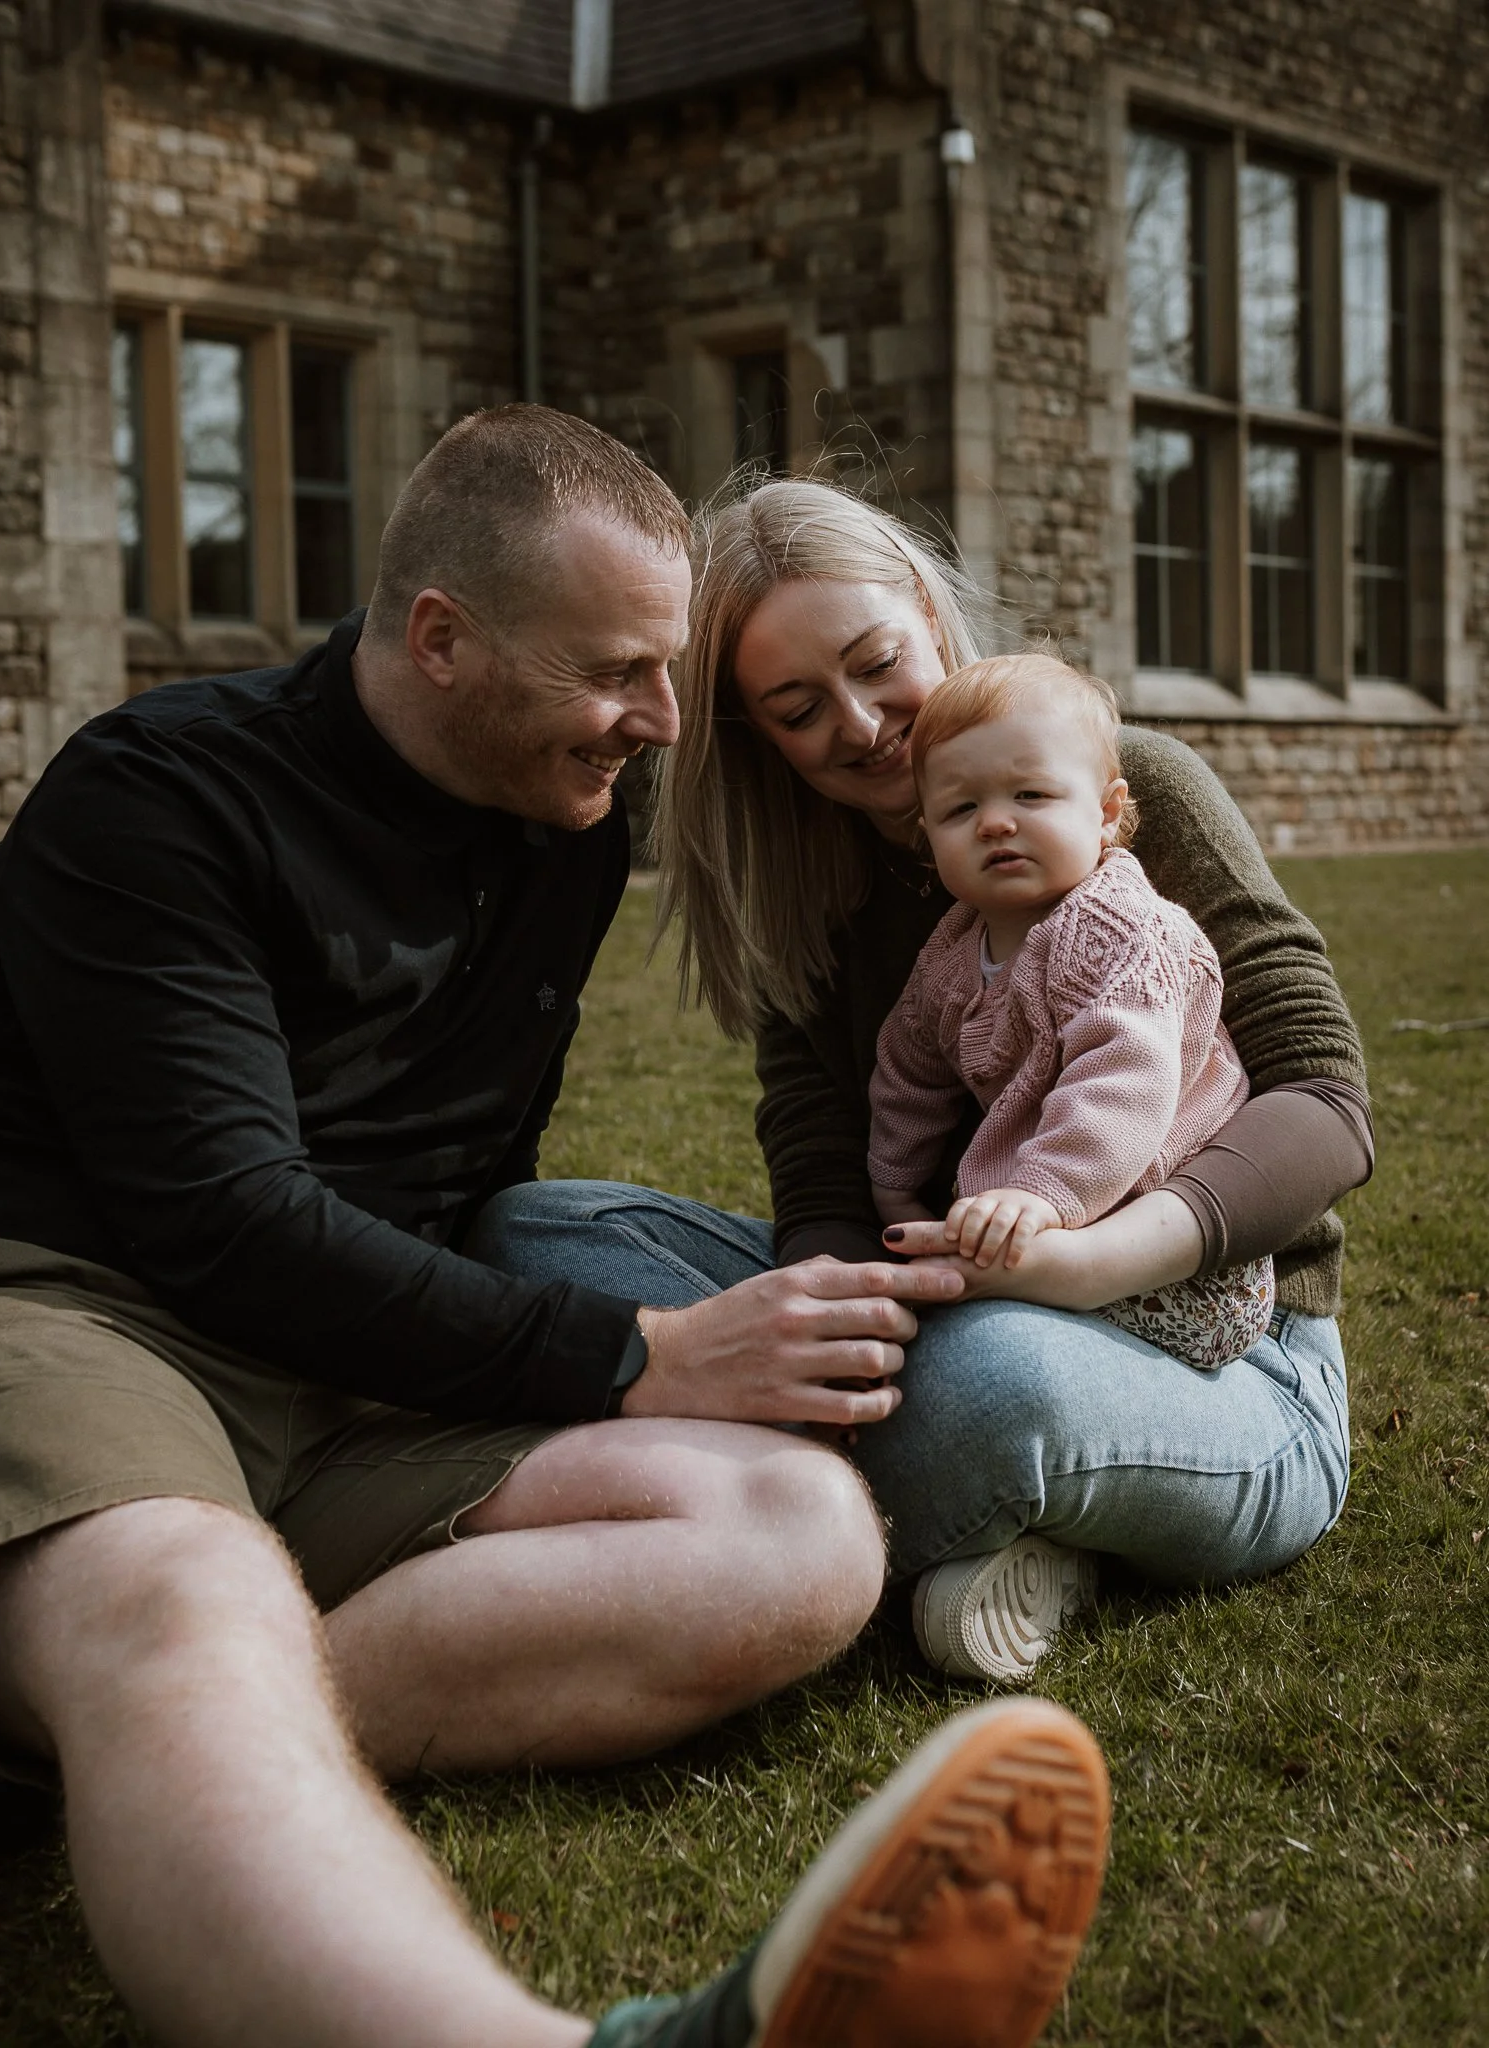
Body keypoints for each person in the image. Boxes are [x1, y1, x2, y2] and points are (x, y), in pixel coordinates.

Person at [0, 409, 1110, 2048]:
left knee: (800, 1538)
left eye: (667, 672)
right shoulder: (161, 791)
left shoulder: (554, 819)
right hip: (59, 1310)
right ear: (442, 639)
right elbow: (218, 1218)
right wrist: (632, 1350)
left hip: (354, 1370)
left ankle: (139, 1748)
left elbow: (461, 1160)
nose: (664, 720)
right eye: (616, 672)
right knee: (187, 1593)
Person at [476, 476, 1372, 1687]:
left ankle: (743, 1495)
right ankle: (913, 1499)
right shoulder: (806, 881)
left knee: (990, 1383)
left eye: (876, 661)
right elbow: (825, 1160)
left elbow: (1325, 1102)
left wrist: (1084, 1257)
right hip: (945, 1285)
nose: (857, 722)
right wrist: (838, 1330)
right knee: (536, 1234)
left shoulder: (1119, 786)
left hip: (1218, 1351)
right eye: (798, 708)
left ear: (929, 613)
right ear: (760, 739)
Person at [866, 649, 1275, 1377]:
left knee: (971, 1346)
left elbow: (1124, 1083)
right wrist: (894, 1182)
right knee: (949, 1337)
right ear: (928, 834)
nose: (995, 824)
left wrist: (1039, 1193)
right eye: (962, 808)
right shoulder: (953, 950)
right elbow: (907, 1068)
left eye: (1031, 796)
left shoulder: (1118, 927)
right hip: (1046, 1220)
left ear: (1108, 812)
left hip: (1183, 1260)